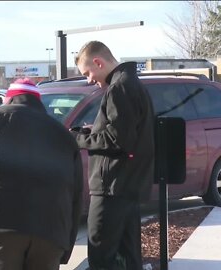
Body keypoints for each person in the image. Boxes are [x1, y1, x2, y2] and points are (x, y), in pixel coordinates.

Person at [0, 78, 84, 270]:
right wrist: (66, 244)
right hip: (50, 232)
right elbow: (76, 194)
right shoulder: (62, 134)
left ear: (9, 99)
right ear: (37, 102)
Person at [71, 40, 155, 270]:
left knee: (100, 257)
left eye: (88, 72)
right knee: (129, 257)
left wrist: (76, 139)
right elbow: (124, 132)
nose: (89, 80)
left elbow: (118, 140)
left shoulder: (120, 89)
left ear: (98, 62)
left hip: (112, 189)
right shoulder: (131, 84)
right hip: (127, 186)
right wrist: (92, 131)